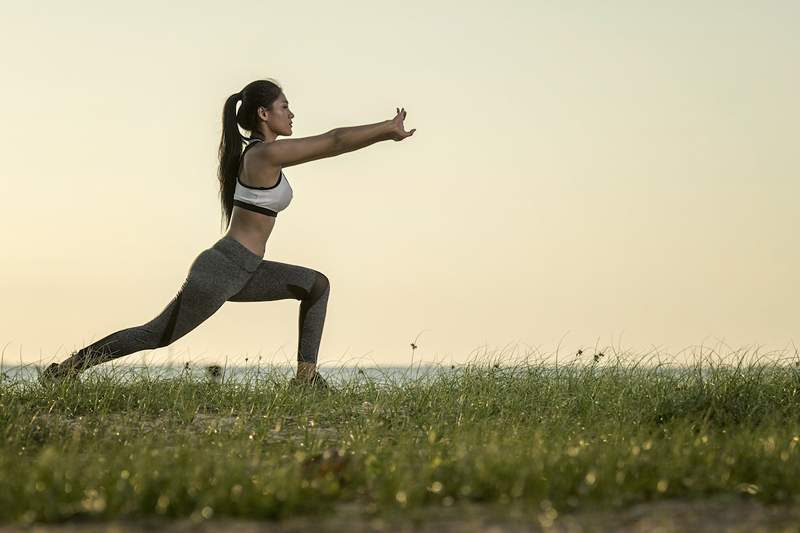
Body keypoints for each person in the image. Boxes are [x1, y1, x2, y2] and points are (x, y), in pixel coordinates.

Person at [41, 78, 416, 387]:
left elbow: (332, 143)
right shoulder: (262, 156)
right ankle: (65, 371)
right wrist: (386, 130)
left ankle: (305, 380)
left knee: (315, 285)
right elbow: (333, 141)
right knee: (155, 335)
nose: (291, 113)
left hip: (247, 268)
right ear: (263, 114)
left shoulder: (260, 154)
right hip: (221, 270)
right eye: (285, 107)